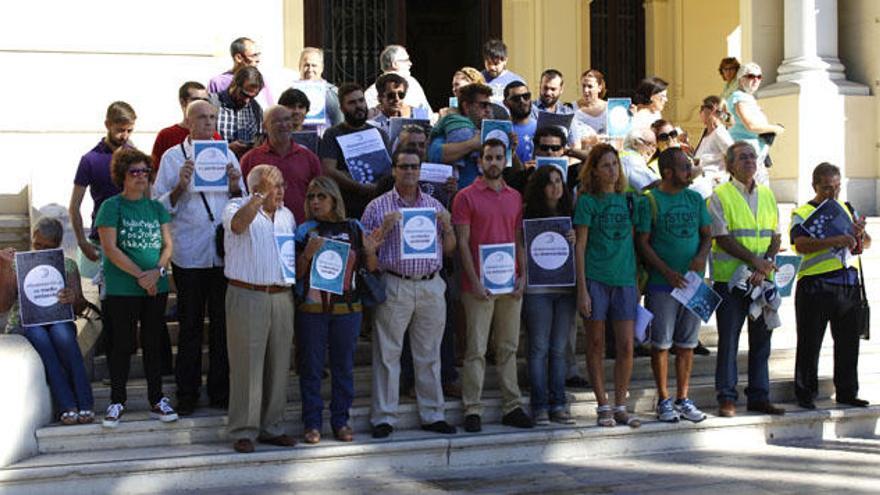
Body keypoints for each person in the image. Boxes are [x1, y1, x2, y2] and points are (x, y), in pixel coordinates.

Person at [153, 99, 245, 415]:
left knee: (221, 326)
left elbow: (242, 206)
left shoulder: (229, 155)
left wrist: (234, 186)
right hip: (189, 253)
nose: (209, 123)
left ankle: (220, 391)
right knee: (190, 326)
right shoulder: (172, 157)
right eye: (202, 118)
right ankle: (188, 393)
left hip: (222, 255)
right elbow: (159, 207)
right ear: (188, 122)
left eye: (212, 117)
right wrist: (180, 185)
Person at [362, 147, 458, 439]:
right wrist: (382, 230)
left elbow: (450, 250)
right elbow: (367, 253)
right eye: (403, 166)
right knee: (388, 353)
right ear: (394, 170)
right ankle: (384, 417)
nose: (409, 172)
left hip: (430, 283)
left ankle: (433, 414)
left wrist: (448, 228)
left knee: (429, 353)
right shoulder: (377, 207)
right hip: (395, 282)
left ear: (420, 170)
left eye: (414, 167)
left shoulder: (434, 206)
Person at [452, 138, 533, 433]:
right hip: (478, 286)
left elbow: (518, 239)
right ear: (480, 161)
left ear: (506, 160)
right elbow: (461, 243)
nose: (494, 162)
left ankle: (512, 406)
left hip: (509, 283)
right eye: (489, 157)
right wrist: (473, 282)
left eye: (499, 157)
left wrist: (523, 275)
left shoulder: (514, 197)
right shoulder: (465, 197)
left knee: (509, 347)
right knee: (475, 349)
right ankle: (472, 408)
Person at [295, 176, 383, 444]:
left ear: (334, 199)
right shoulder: (304, 230)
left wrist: (369, 251)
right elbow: (294, 274)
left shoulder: (354, 227)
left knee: (343, 367)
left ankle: (340, 421)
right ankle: (312, 423)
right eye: (311, 197)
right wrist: (307, 255)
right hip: (312, 309)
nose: (316, 202)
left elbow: (372, 268)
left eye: (321, 196)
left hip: (348, 308)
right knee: (311, 367)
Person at [95, 147, 176, 428]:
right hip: (122, 289)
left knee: (154, 344)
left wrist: (157, 273)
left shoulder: (156, 208)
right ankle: (117, 400)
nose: (141, 176)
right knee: (121, 345)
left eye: (145, 171)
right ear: (122, 175)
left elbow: (168, 246)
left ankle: (157, 400)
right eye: (135, 172)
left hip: (156, 287)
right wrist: (142, 275)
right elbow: (110, 248)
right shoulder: (111, 206)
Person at [222, 164, 298, 454]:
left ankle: (272, 427)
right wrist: (257, 197)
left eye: (280, 185)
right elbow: (238, 226)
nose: (277, 191)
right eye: (270, 185)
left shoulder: (287, 215)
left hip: (281, 295)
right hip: (248, 293)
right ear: (255, 187)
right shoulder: (235, 206)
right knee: (247, 365)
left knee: (278, 364)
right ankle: (244, 429)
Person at [708, 141, 784, 418]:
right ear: (730, 164)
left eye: (753, 156)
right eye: (743, 157)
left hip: (762, 281)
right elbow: (722, 237)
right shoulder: (720, 195)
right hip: (731, 282)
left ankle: (759, 396)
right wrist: (755, 262)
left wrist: (765, 266)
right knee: (729, 341)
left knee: (762, 340)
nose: (750, 161)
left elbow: (775, 235)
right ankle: (727, 397)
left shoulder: (767, 195)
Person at [636, 148, 711, 423]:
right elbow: (642, 243)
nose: (689, 172)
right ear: (667, 172)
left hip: (692, 283)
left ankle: (683, 397)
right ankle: (664, 399)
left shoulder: (695, 199)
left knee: (687, 343)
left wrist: (701, 256)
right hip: (661, 284)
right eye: (684, 167)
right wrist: (666, 272)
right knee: (662, 343)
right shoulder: (650, 201)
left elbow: (707, 235)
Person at [574, 143, 645, 428]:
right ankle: (602, 403)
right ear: (594, 170)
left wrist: (639, 281)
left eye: (615, 164)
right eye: (605, 165)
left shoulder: (630, 200)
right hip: (596, 278)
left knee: (627, 345)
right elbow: (580, 245)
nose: (612, 170)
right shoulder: (587, 201)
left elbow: (636, 243)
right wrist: (582, 289)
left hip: (625, 280)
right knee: (595, 342)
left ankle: (620, 404)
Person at [791, 163, 872, 409]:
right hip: (816, 284)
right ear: (815, 186)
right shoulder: (803, 212)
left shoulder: (847, 208)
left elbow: (866, 244)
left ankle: (847, 391)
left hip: (848, 283)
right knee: (810, 342)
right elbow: (800, 244)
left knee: (849, 342)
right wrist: (834, 240)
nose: (832, 193)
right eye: (827, 188)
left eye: (836, 187)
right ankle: (806, 393)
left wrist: (860, 234)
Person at [0, 217, 94, 425]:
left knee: (63, 336)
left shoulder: (67, 264)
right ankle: (67, 405)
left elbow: (79, 306)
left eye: (47, 247)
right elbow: (3, 305)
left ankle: (85, 402)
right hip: (26, 323)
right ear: (32, 239)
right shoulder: (17, 264)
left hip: (57, 320)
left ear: (57, 245)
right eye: (37, 244)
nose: (40, 250)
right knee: (39, 337)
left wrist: (73, 298)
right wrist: (4, 268)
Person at [521, 165, 577, 425]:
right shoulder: (527, 216)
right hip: (537, 291)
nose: (556, 187)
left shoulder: (571, 215)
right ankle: (540, 404)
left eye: (559, 181)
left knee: (558, 349)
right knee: (539, 347)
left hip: (566, 290)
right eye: (550, 182)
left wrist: (575, 239)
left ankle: (559, 402)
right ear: (540, 187)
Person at [69, 101, 134, 272]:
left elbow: (147, 198)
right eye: (120, 130)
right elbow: (74, 206)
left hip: (134, 237)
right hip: (103, 238)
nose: (125, 136)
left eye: (129, 130)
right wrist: (82, 242)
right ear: (107, 125)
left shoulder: (135, 157)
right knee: (106, 296)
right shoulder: (90, 160)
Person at [318, 83, 391, 220]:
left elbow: (390, 168)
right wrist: (360, 187)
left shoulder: (380, 134)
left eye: (361, 100)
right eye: (352, 103)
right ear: (342, 108)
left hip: (380, 206)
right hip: (347, 209)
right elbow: (328, 170)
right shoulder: (332, 134)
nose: (359, 106)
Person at [241, 105, 323, 223]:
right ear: (264, 127)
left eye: (287, 119)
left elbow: (320, 194)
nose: (284, 124)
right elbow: (243, 196)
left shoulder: (309, 158)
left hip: (302, 230)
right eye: (277, 121)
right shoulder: (250, 159)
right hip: (262, 228)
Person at [727, 62, 785, 185]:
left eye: (759, 77)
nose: (755, 80)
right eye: (751, 76)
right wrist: (775, 128)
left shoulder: (748, 98)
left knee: (760, 193)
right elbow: (750, 125)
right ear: (741, 79)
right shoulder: (739, 97)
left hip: (756, 155)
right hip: (745, 155)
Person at [428, 83, 494, 189]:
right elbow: (436, 155)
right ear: (466, 106)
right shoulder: (449, 130)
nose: (488, 110)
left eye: (490, 105)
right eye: (483, 105)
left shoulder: (492, 132)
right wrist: (473, 144)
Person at [151, 82, 211, 170]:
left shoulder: (214, 136)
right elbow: (155, 171)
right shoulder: (166, 135)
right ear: (182, 102)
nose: (201, 104)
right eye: (196, 100)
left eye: (205, 100)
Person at [210, 66, 265, 158]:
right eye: (244, 94)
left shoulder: (255, 108)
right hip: (217, 164)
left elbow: (259, 140)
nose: (247, 101)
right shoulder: (212, 104)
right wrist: (227, 148)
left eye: (252, 97)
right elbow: (200, 142)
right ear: (234, 85)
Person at [364, 45, 432, 115]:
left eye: (401, 95)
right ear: (395, 64)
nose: (410, 64)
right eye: (406, 60)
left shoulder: (369, 92)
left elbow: (426, 114)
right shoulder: (412, 83)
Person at [208, 37, 273, 109]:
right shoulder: (218, 82)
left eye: (258, 55)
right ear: (238, 58)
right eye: (254, 55)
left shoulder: (260, 80)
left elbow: (269, 108)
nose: (258, 60)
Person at [692, 95, 734, 199]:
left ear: (712, 110)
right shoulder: (707, 134)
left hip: (712, 184)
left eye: (702, 108)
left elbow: (733, 154)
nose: (700, 112)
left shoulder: (719, 133)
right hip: (700, 180)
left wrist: (723, 176)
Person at [295, 47, 343, 127]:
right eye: (306, 65)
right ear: (300, 66)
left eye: (314, 65)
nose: (310, 69)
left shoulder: (331, 93)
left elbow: (339, 123)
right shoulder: (291, 92)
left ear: (321, 68)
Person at [503, 80, 537, 166]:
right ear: (506, 103)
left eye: (526, 96)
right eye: (516, 99)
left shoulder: (541, 126)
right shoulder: (501, 130)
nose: (522, 101)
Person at [619, 127, 659, 193]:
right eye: (650, 144)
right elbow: (653, 183)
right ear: (635, 144)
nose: (653, 150)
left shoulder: (624, 156)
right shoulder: (632, 160)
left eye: (655, 146)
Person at [575, 69, 608, 135]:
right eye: (583, 86)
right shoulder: (572, 108)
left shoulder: (610, 108)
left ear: (599, 88)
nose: (586, 90)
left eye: (590, 86)